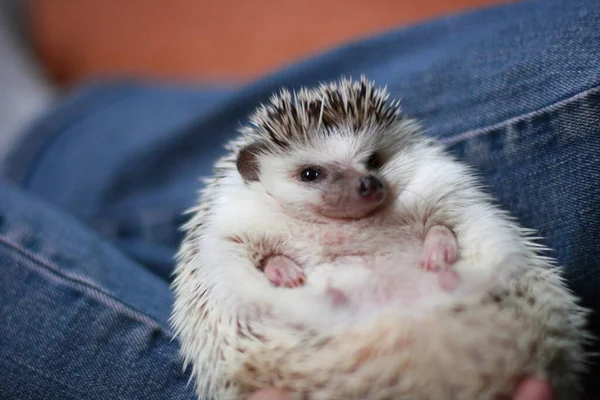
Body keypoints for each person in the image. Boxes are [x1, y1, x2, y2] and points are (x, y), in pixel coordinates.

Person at [0, 0, 598, 399]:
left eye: (371, 163)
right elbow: (231, 280)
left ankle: (58, 150)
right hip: (338, 320)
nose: (359, 184)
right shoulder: (245, 212)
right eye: (313, 175)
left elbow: (465, 221)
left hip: (77, 135)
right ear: (255, 172)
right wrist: (268, 266)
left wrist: (441, 235)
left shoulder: (411, 172)